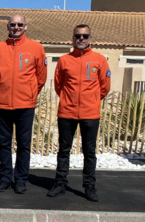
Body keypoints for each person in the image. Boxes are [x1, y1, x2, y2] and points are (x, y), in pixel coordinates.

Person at [47, 24, 111, 202]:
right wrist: (69, 100)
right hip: (67, 113)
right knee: (63, 150)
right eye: (78, 36)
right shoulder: (64, 60)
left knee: (89, 152)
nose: (81, 39)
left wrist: (90, 101)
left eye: (84, 36)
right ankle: (60, 184)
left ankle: (89, 186)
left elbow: (105, 87)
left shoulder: (99, 60)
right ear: (73, 38)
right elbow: (59, 86)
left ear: (90, 38)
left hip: (90, 114)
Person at [0, 14, 47, 194]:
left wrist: (29, 93)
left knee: (23, 144)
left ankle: (21, 179)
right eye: (13, 24)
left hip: (25, 104)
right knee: (4, 143)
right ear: (8, 27)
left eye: (19, 24)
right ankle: (5, 177)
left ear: (26, 26)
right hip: (3, 103)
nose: (16, 27)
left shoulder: (36, 48)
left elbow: (41, 76)